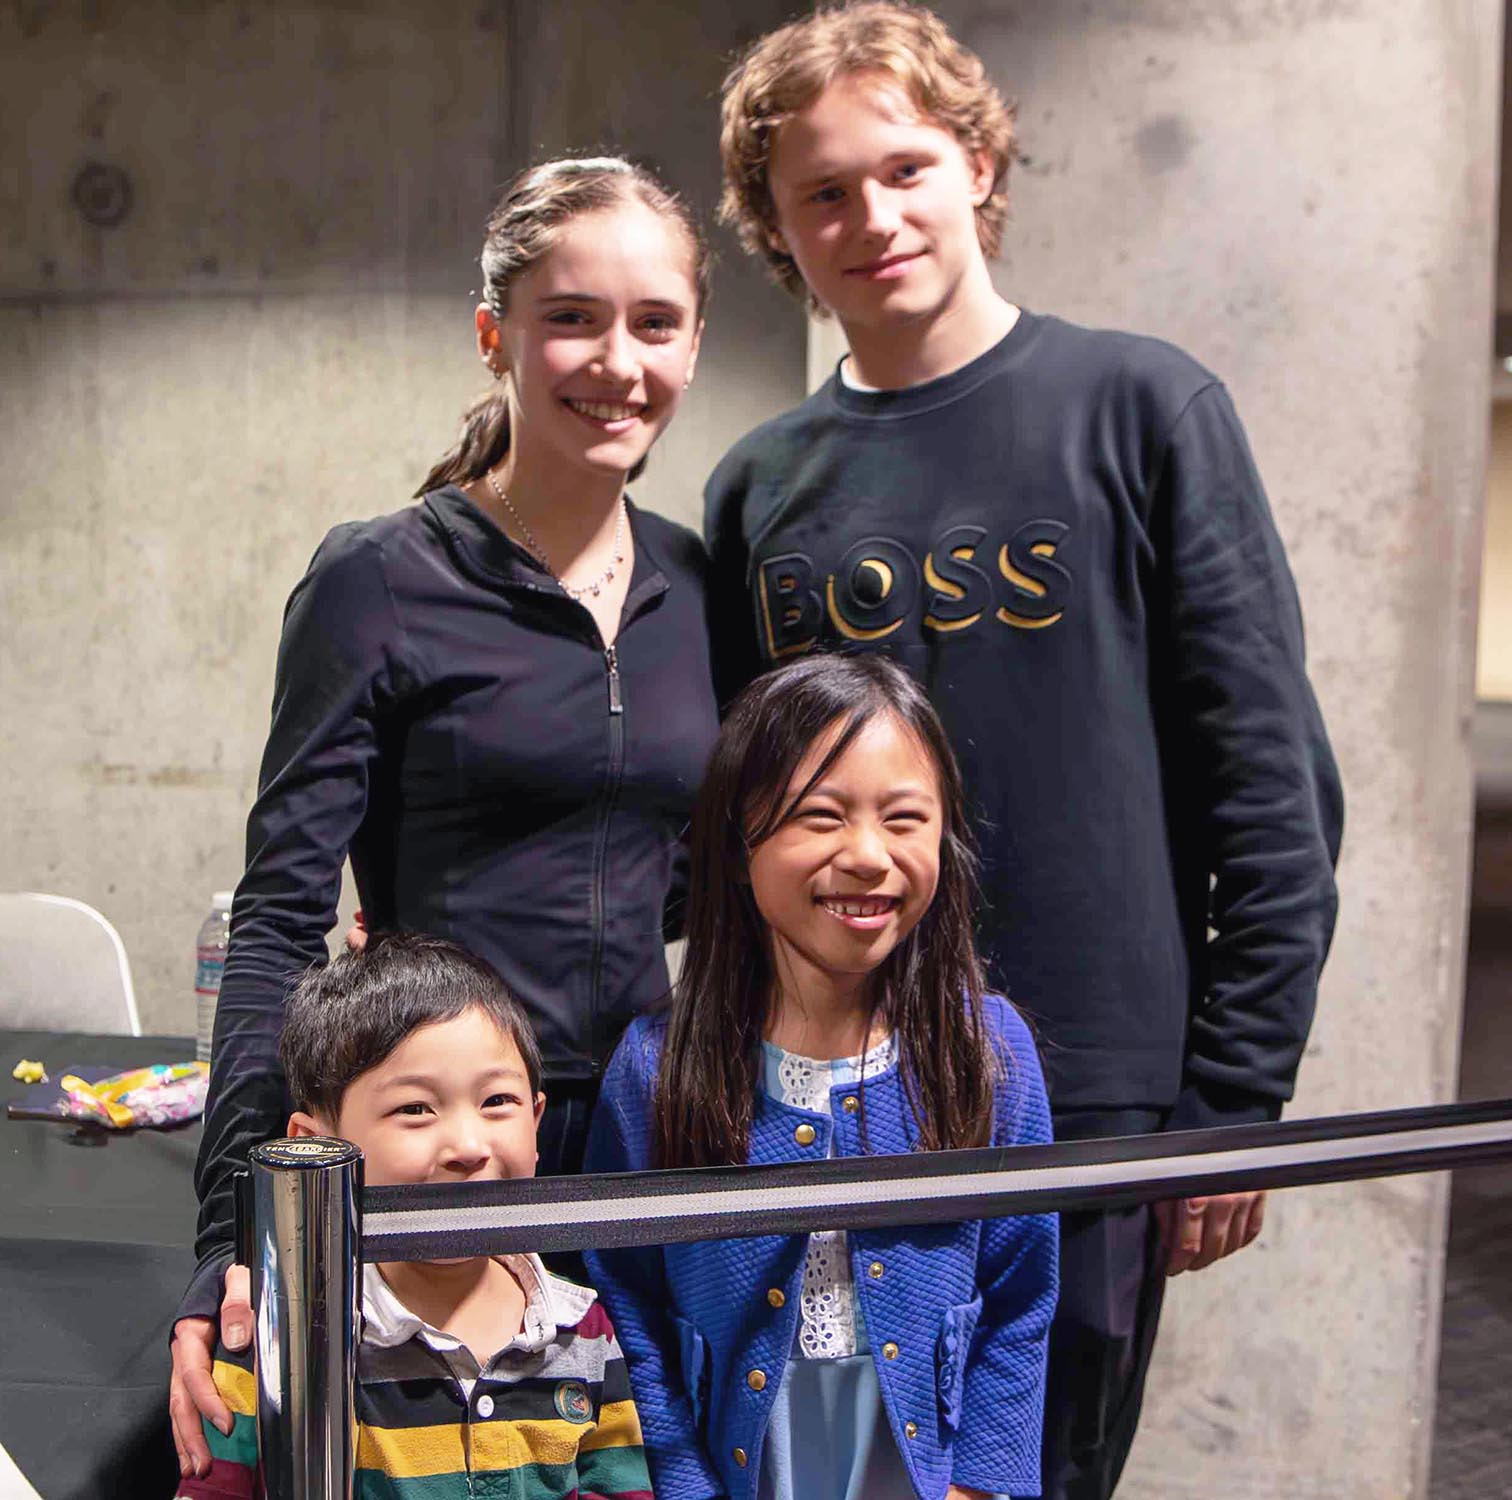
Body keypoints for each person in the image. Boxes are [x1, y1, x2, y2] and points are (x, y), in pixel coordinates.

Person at [702, 6, 1343, 1498]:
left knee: (1033, 1477)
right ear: (777, 229)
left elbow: (1271, 787)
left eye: (904, 169)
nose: (873, 218)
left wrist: (1235, 1100)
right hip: (821, 1087)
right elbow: (729, 822)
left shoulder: (1142, 408)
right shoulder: (758, 485)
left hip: (1091, 1091)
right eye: (824, 193)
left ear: (979, 165)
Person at [170, 155, 719, 1480]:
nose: (618, 361)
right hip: (442, 1151)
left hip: (646, 1141)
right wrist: (234, 1236)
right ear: (495, 336)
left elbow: (690, 875)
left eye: (655, 323)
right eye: (572, 318)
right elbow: (280, 919)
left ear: (695, 340)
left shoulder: (698, 583)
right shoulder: (379, 578)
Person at [584, 653, 1059, 1500]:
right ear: (739, 845)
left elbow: (1021, 1297)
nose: (869, 855)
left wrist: (979, 1487)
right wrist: (684, 1486)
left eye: (904, 818)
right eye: (821, 816)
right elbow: (629, 1310)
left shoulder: (990, 1049)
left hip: (921, 1468)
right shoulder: (655, 1065)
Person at [174, 934, 654, 1499]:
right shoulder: (278, 1341)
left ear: (537, 1119)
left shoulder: (583, 1330)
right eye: (415, 1108)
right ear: (314, 1145)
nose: (469, 1146)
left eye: (497, 1101)